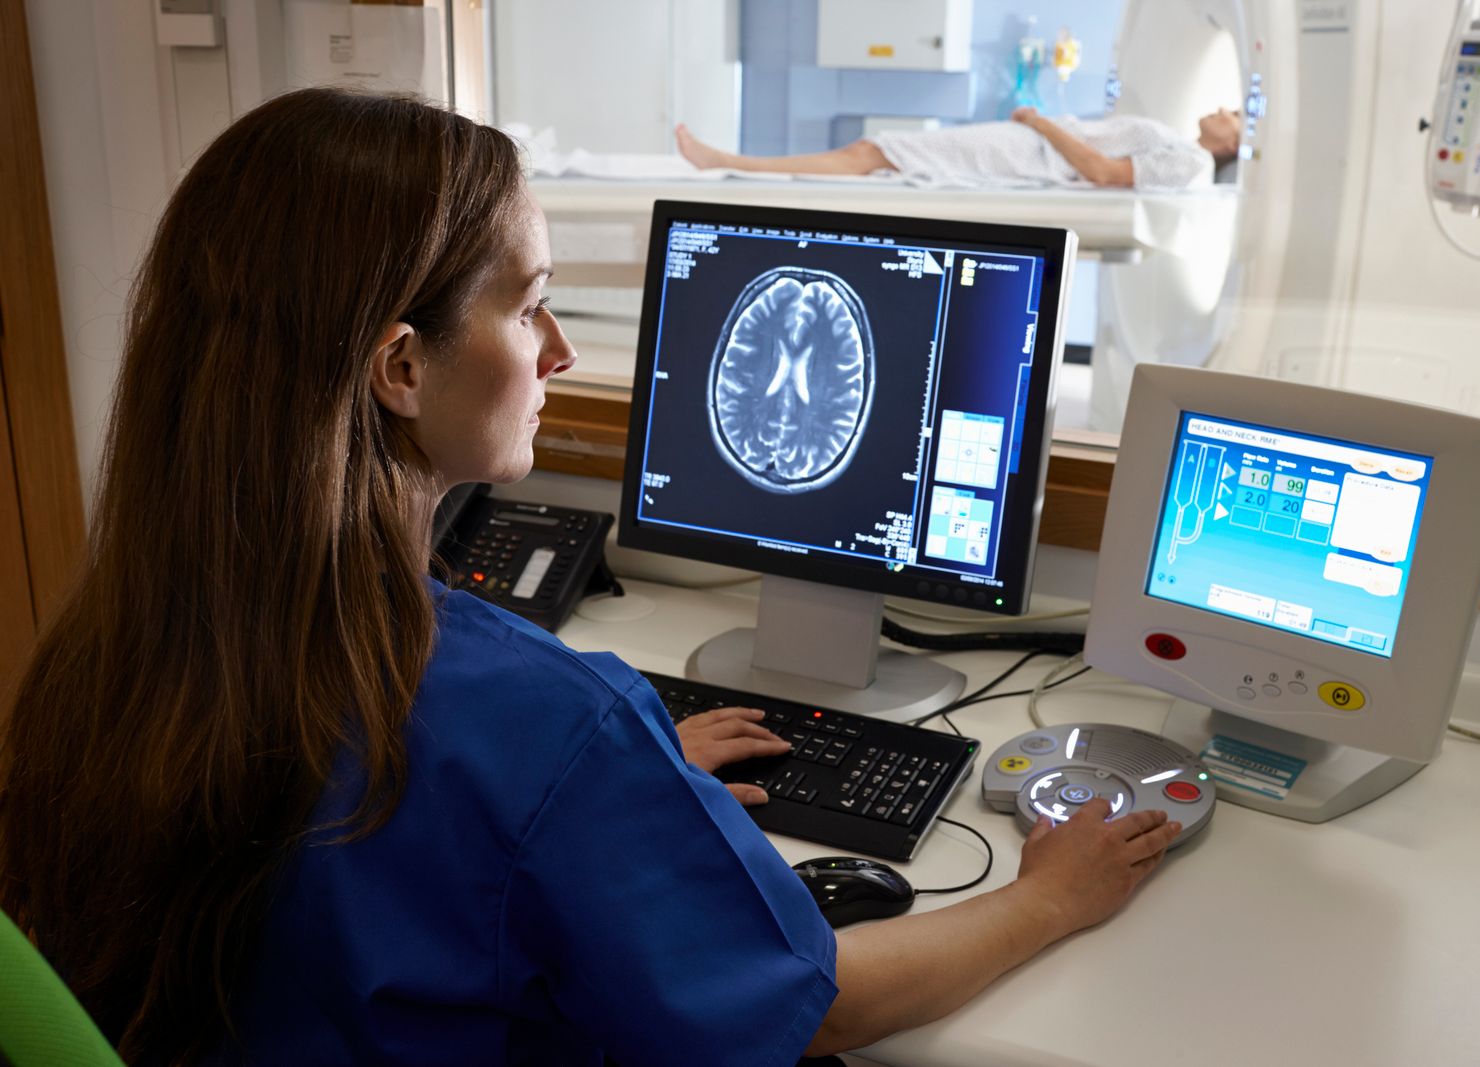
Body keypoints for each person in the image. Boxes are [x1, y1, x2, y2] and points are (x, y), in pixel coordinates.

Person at [0, 87, 1182, 1066]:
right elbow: (821, 1004)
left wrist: (621, 795)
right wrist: (1047, 895)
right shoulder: (537, 722)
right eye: (530, 307)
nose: (561, 351)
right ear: (400, 368)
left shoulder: (96, 658)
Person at [676, 106, 1243, 192]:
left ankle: (724, 160)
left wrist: (1039, 122)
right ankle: (727, 160)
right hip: (1027, 145)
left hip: (1029, 155)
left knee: (876, 153)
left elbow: (1102, 171)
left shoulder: (1191, 162)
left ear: (1232, 143)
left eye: (1235, 115)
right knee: (876, 153)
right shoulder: (1182, 142)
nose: (1225, 108)